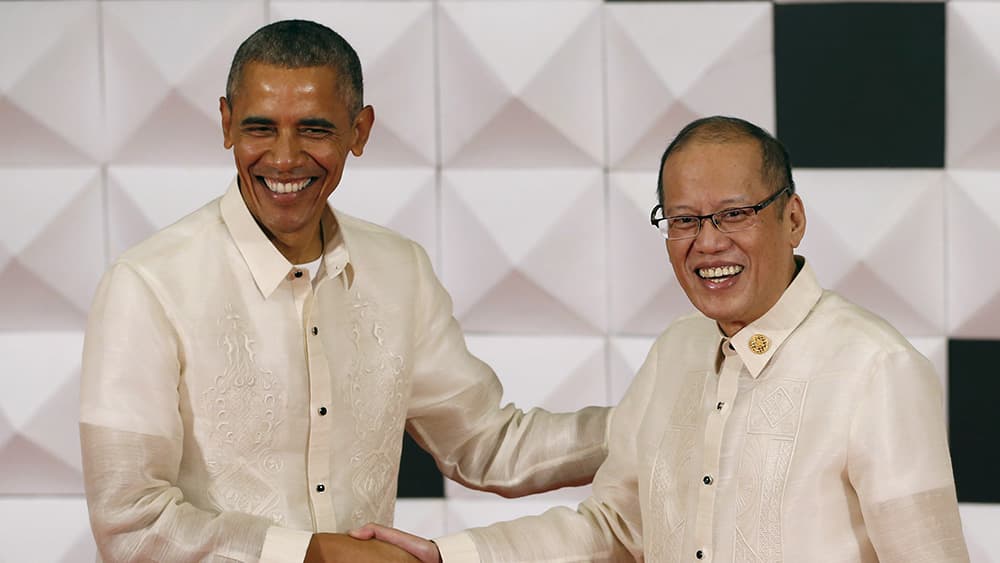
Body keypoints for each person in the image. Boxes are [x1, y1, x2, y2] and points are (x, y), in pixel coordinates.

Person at [79, 19, 610, 563]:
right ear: (226, 123)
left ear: (359, 131)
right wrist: (315, 554)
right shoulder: (146, 285)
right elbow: (131, 524)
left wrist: (642, 426)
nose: (284, 158)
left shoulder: (400, 270)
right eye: (261, 128)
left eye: (314, 130)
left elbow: (488, 445)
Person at [354, 116, 971, 562]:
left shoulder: (876, 368)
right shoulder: (677, 350)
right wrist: (447, 555)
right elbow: (614, 529)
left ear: (793, 218)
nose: (708, 241)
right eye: (684, 220)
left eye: (735, 214)